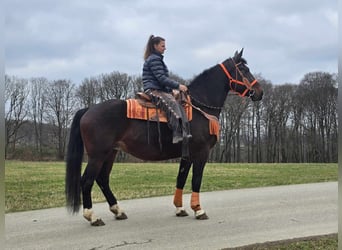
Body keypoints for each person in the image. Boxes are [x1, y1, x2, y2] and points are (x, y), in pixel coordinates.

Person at [142, 35, 191, 155]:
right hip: (153, 90)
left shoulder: (157, 59)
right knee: (172, 104)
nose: (165, 48)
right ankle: (177, 133)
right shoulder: (154, 59)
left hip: (159, 88)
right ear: (155, 46)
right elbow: (161, 78)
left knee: (178, 102)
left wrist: (171, 90)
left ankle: (185, 131)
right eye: (163, 46)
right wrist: (178, 86)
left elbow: (162, 80)